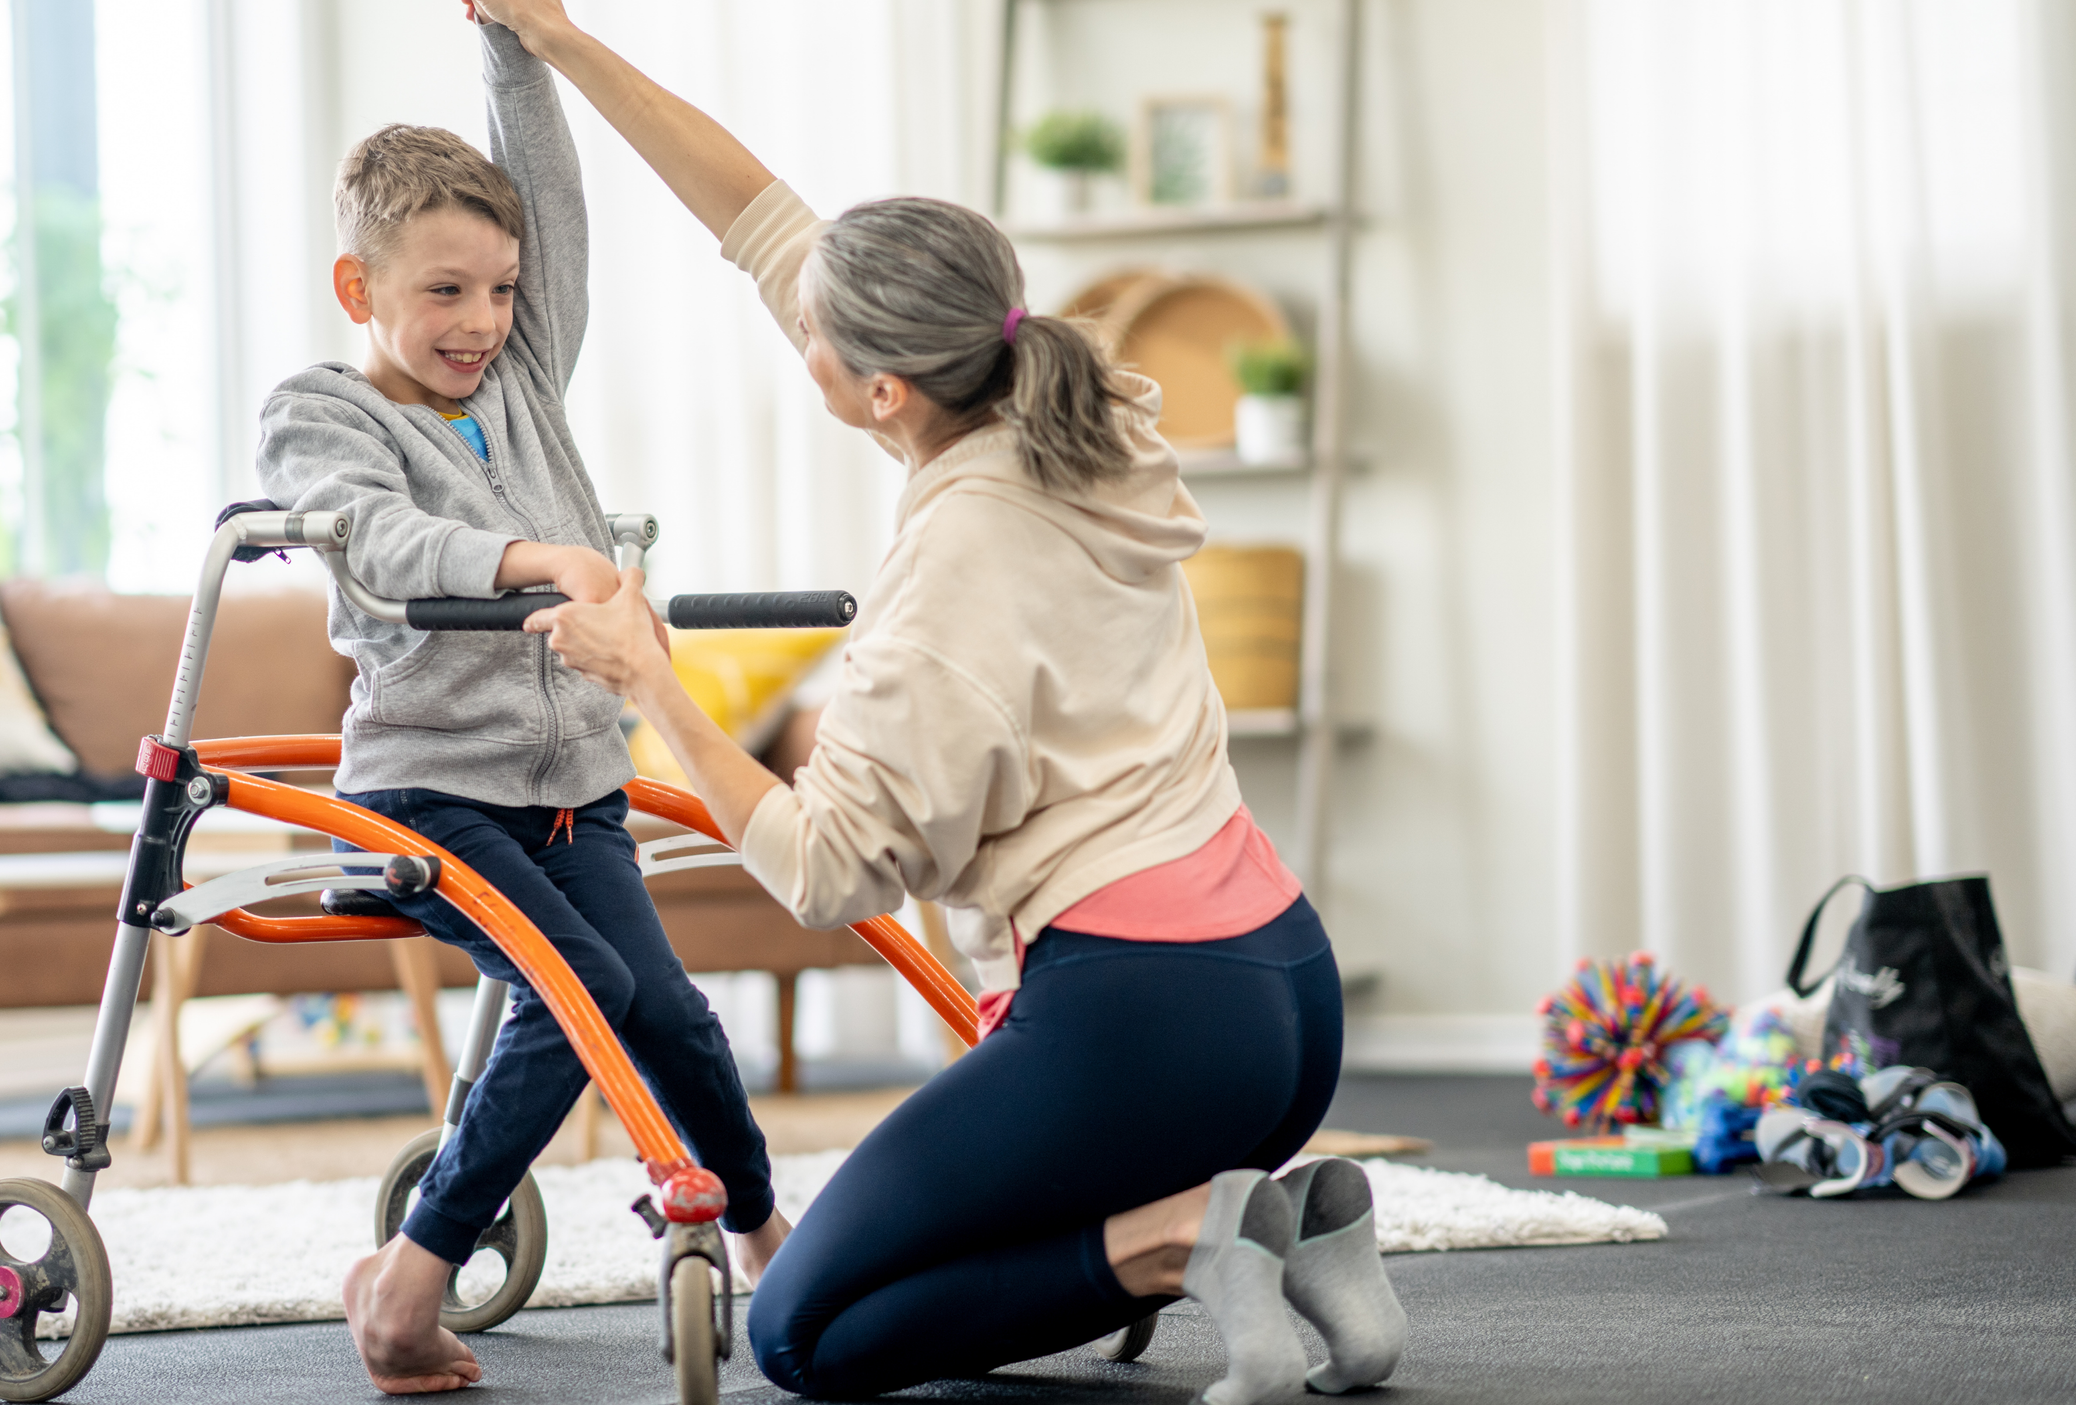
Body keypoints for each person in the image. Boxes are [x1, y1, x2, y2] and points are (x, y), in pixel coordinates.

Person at [481, 1, 1413, 1399]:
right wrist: (556, 37)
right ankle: (1308, 1223)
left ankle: (1187, 1236)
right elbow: (756, 217)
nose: (797, 329)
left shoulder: (949, 579)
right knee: (945, 1237)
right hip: (1283, 995)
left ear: (885, 392)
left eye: (816, 337)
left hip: (1145, 1027)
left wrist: (648, 681)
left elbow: (825, 871)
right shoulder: (1082, 410)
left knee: (807, 1332)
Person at [253, 17, 790, 1394]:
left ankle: (761, 1237)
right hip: (424, 793)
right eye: (443, 292)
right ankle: (406, 1288)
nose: (480, 321)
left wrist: (518, 44)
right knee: (579, 994)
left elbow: (547, 195)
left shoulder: (524, 374)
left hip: (571, 795)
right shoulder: (318, 413)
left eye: (498, 291)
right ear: (356, 285)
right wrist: (539, 556)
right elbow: (372, 538)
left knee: (669, 1017)